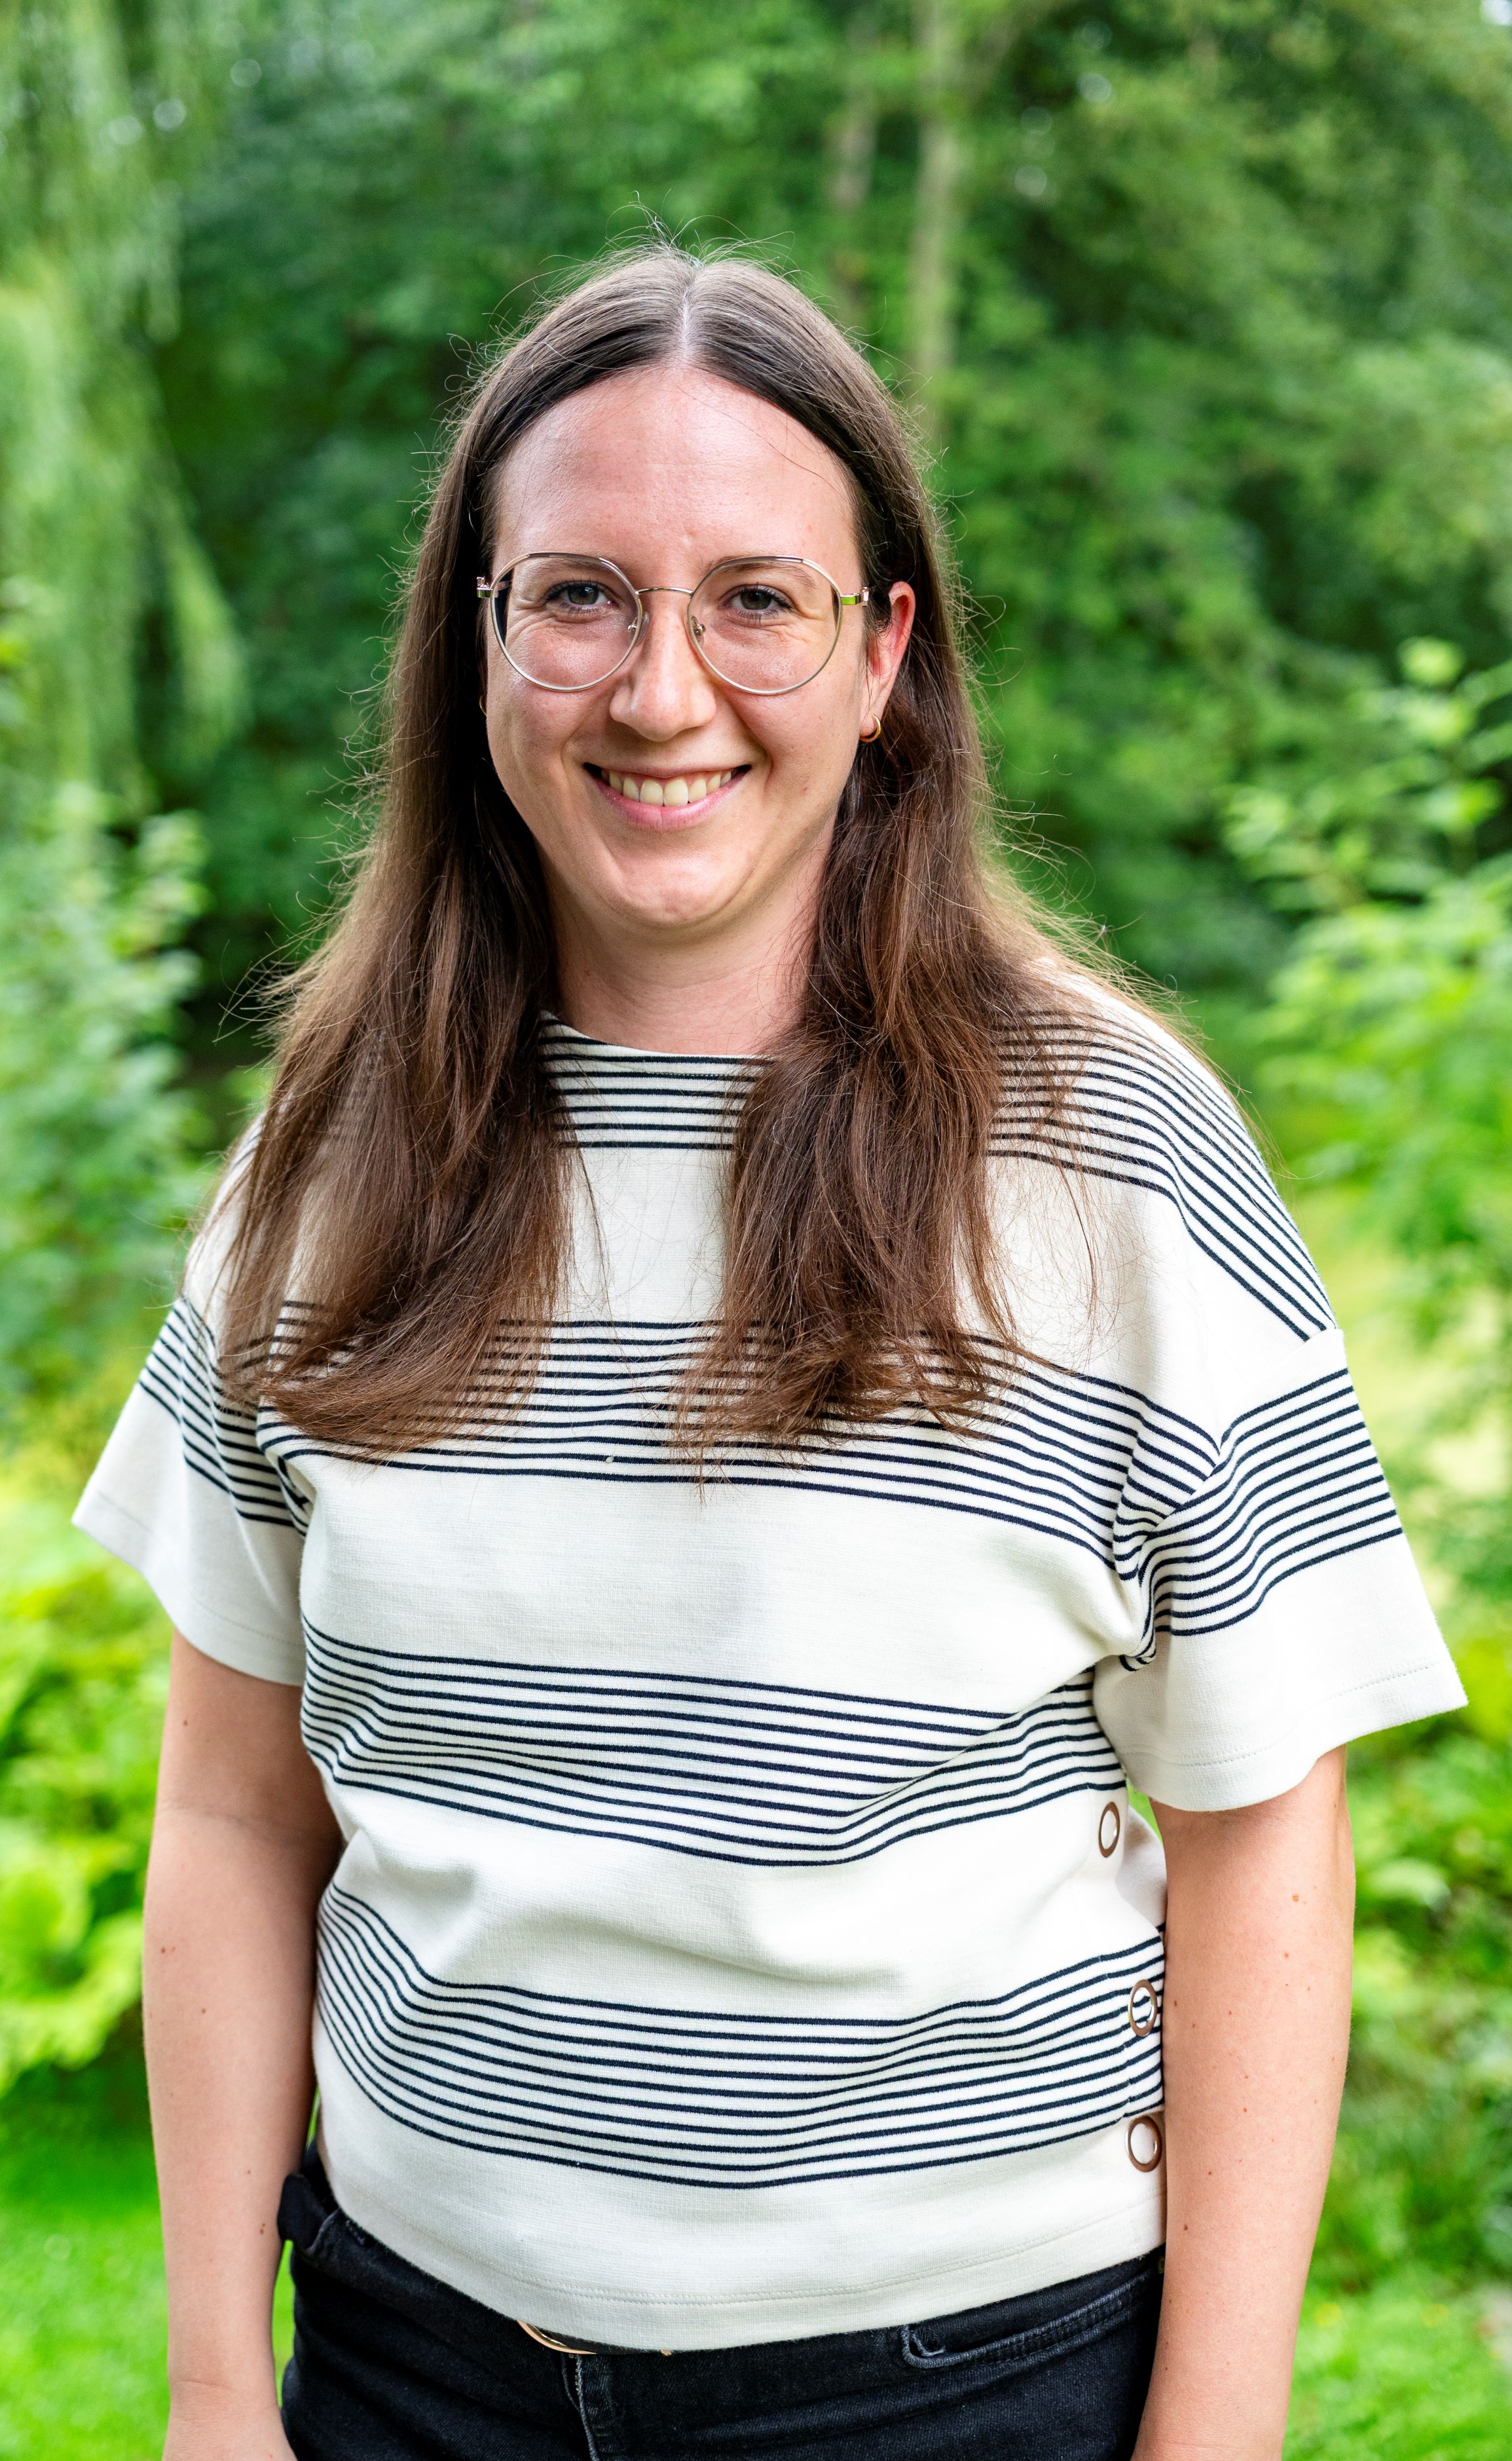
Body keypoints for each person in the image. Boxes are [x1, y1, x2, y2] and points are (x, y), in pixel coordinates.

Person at [76, 246, 1465, 2461]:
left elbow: (1260, 1842)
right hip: (414, 2377)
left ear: (882, 655)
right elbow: (239, 1818)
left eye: (754, 601)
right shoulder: (330, 1159)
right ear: (476, 642)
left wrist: (1213, 2438)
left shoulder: (1109, 1158)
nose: (660, 692)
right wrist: (216, 2395)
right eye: (578, 597)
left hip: (964, 2392)